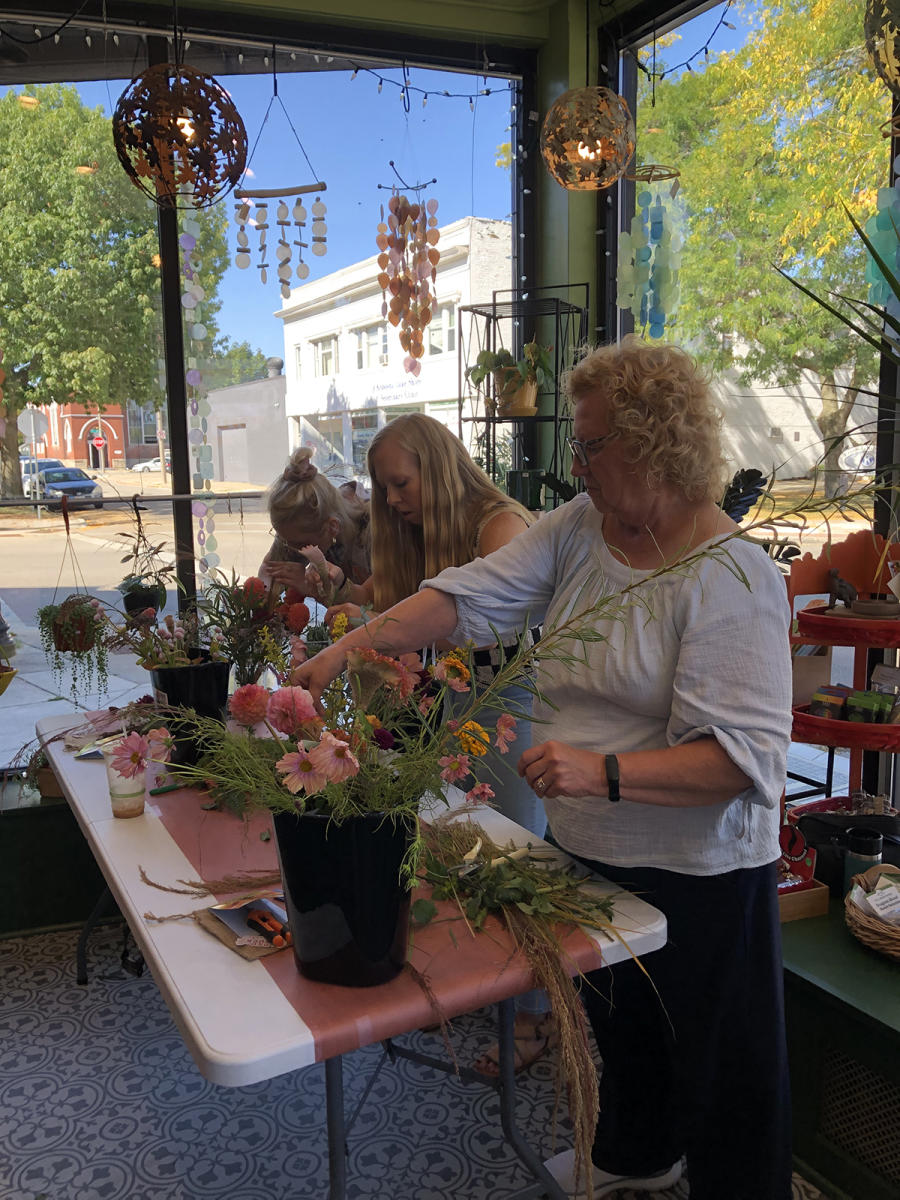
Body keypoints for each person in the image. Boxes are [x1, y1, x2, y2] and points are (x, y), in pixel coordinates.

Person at [295, 336, 793, 1200]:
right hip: (592, 850)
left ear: (649, 444)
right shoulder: (579, 531)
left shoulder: (732, 577)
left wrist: (601, 772)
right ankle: (637, 1156)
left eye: (591, 444)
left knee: (725, 1078)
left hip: (701, 874)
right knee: (626, 1030)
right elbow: (469, 594)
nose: (577, 462)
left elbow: (739, 763)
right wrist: (346, 652)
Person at [327, 413, 552, 1074]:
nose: (392, 501)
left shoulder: (499, 525)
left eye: (399, 484)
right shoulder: (428, 531)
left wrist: (368, 640)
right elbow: (399, 615)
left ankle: (538, 1022)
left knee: (515, 860)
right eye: (384, 490)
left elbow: (482, 626)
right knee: (467, 854)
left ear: (438, 464)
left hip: (511, 703)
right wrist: (364, 622)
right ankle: (497, 994)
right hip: (463, 703)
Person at [260, 447, 371, 603]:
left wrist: (316, 589)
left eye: (300, 545)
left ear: (332, 528)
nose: (291, 550)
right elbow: (269, 569)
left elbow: (380, 608)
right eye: (282, 539)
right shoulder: (301, 524)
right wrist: (262, 597)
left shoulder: (373, 532)